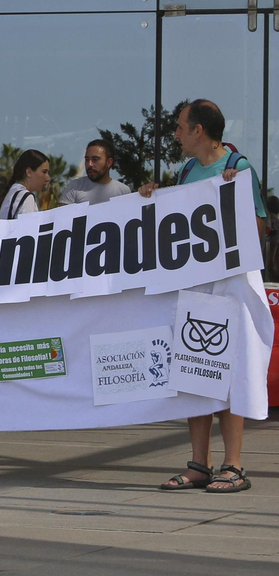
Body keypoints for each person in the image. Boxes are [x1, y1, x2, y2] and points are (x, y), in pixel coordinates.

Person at [147, 100, 265, 494]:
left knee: (226, 373)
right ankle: (200, 463)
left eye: (181, 127)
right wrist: (152, 198)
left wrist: (234, 201)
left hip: (227, 286)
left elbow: (261, 226)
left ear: (199, 130)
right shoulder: (188, 170)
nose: (176, 134)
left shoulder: (240, 167)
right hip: (195, 285)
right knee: (194, 369)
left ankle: (234, 465)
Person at [58, 140, 131, 205]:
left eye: (95, 159)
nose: (89, 164)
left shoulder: (123, 191)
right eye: (87, 159)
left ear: (109, 162)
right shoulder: (74, 187)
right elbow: (63, 217)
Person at [0, 150, 50, 218]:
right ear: (29, 172)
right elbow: (28, 227)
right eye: (44, 172)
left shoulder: (11, 193)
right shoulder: (26, 198)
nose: (48, 178)